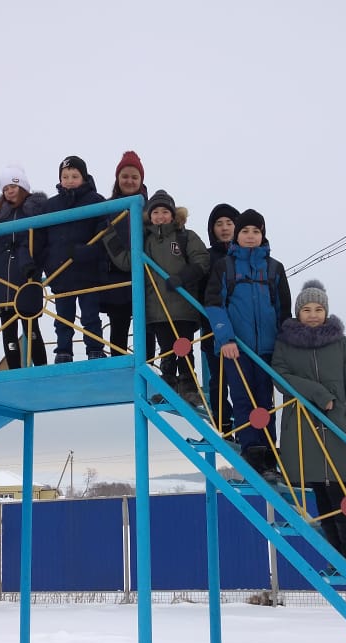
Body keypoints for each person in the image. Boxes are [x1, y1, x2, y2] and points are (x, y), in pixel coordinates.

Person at [272, 280, 346, 571]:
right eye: (306, 309)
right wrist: (318, 393)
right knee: (322, 496)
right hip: (302, 428)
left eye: (318, 309)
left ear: (326, 312)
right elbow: (279, 377)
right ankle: (337, 557)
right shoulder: (285, 343)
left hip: (338, 427)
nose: (313, 314)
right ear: (297, 312)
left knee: (341, 494)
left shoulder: (340, 343)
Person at [205, 209, 291, 481]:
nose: (251, 236)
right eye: (245, 231)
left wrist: (284, 345)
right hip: (236, 349)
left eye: (256, 231)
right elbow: (214, 304)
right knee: (243, 398)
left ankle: (268, 455)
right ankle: (251, 450)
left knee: (265, 400)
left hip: (267, 349)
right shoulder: (225, 266)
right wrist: (225, 338)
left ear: (263, 235)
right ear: (237, 235)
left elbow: (283, 310)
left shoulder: (274, 268)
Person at [129, 189, 209, 405]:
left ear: (173, 215)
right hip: (157, 307)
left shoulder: (185, 236)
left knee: (183, 347)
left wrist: (182, 278)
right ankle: (168, 387)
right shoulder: (145, 240)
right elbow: (129, 261)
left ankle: (189, 387)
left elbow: (202, 260)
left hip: (182, 305)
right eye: (156, 212)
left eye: (165, 212)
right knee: (166, 350)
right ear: (150, 216)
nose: (160, 216)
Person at [33, 156, 107, 362]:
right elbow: (40, 237)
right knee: (63, 317)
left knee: (90, 316)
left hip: (87, 271)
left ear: (84, 177)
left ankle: (95, 349)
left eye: (75, 176)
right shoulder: (50, 205)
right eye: (65, 176)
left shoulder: (96, 201)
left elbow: (104, 233)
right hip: (60, 272)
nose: (69, 180)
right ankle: (63, 351)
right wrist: (47, 261)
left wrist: (89, 251)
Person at [0, 165, 49, 368]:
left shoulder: (33, 210)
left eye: (13, 186)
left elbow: (40, 240)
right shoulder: (1, 216)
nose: (9, 191)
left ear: (23, 187)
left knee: (31, 325)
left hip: (25, 274)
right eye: (5, 189)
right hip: (3, 278)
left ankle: (41, 368)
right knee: (8, 329)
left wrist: (30, 259)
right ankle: (13, 371)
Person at [100, 150, 147, 354]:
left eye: (134, 177)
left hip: (145, 277)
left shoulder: (151, 208)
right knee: (118, 326)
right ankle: (120, 369)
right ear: (117, 178)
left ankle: (148, 367)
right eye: (125, 176)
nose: (129, 181)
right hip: (115, 278)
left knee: (147, 328)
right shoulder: (107, 208)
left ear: (141, 180)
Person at [201, 204, 240, 435]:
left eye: (229, 223)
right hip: (212, 329)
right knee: (218, 379)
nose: (224, 228)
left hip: (242, 331)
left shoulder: (243, 256)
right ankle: (223, 423)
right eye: (219, 224)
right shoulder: (207, 257)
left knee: (242, 381)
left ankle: (244, 427)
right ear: (212, 229)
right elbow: (201, 291)